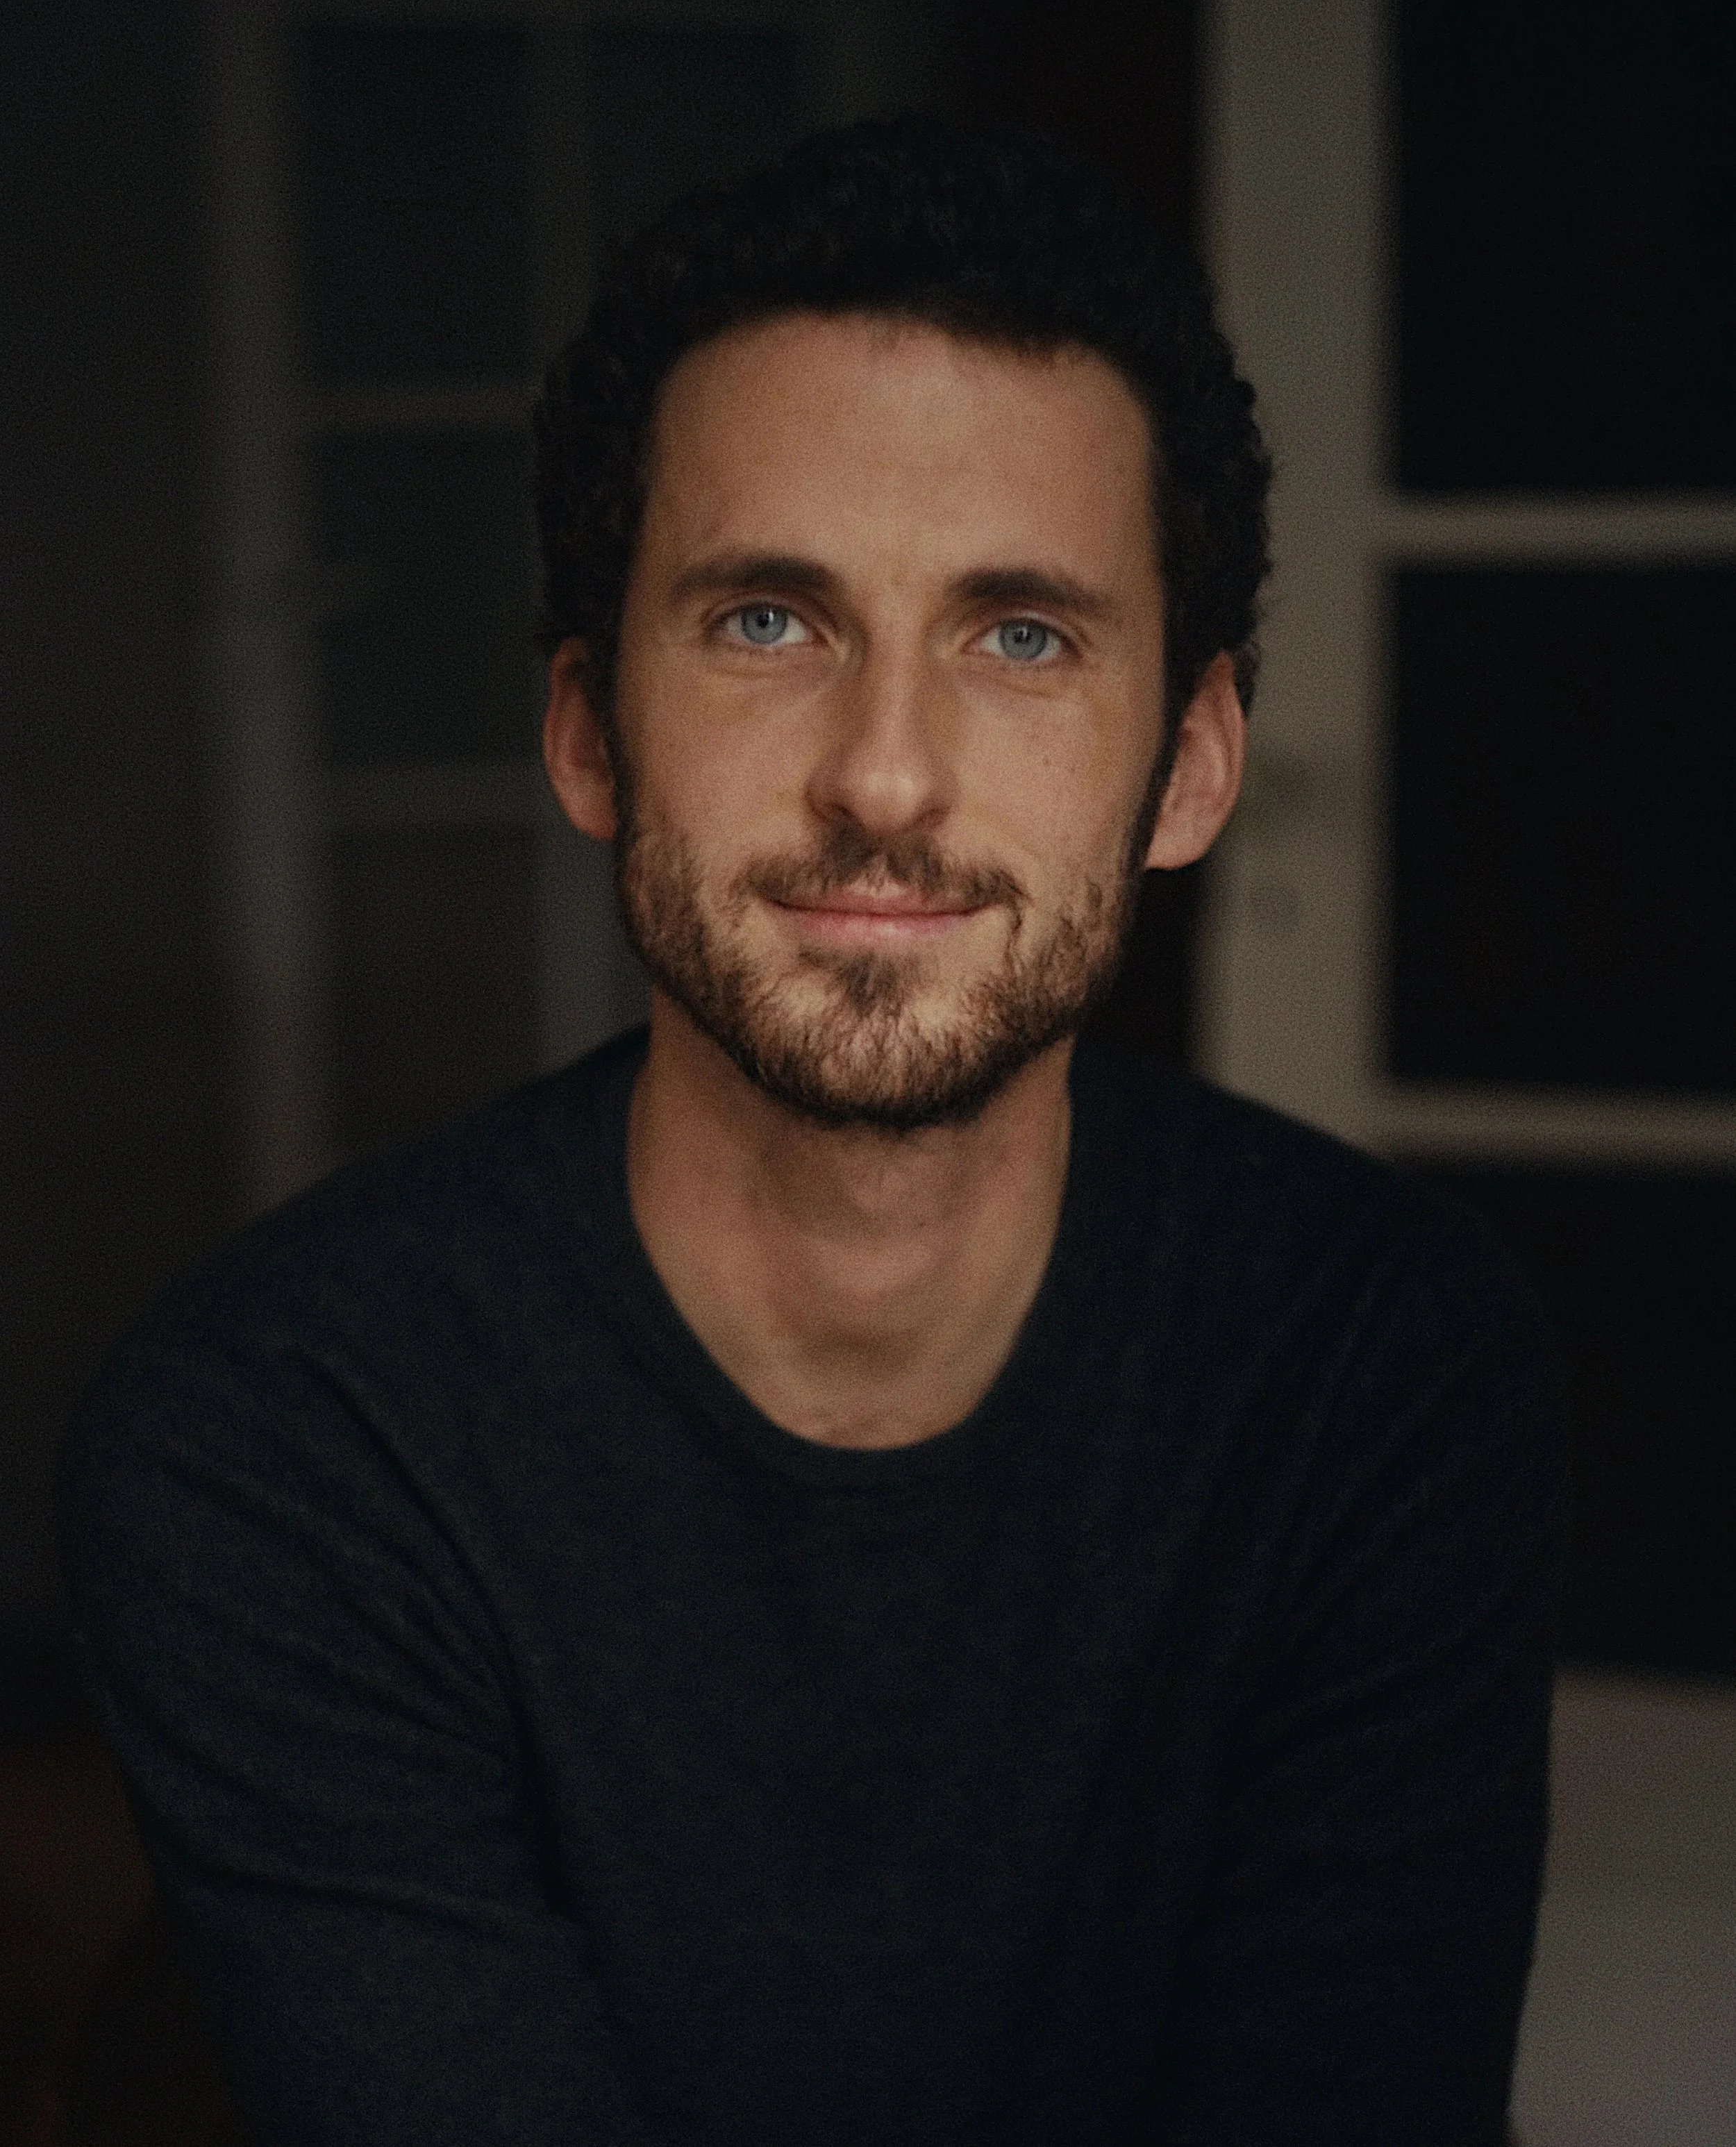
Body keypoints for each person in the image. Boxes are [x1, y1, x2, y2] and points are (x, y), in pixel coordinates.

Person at [61, 116, 1564, 2146]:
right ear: (590, 729)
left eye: (1017, 634)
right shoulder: (275, 1443)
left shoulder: (1380, 1366)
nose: (883, 774)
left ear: (1191, 766)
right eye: (767, 620)